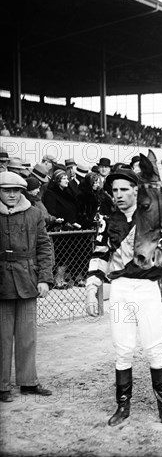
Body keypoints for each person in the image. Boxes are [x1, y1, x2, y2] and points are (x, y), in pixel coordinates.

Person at [84, 168, 162, 426]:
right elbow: (99, 255)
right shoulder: (107, 220)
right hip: (121, 290)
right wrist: (91, 290)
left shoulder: (154, 218)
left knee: (154, 350)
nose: (119, 195)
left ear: (136, 190)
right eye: (115, 190)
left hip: (147, 290)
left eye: (124, 189)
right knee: (123, 350)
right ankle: (123, 407)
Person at [0, 171, 54, 402]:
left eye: (16, 191)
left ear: (22, 192)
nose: (11, 195)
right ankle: (2, 386)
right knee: (2, 337)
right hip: (1, 280)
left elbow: (44, 246)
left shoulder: (33, 214)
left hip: (27, 279)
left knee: (27, 335)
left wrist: (44, 278)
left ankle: (28, 381)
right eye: (6, 190)